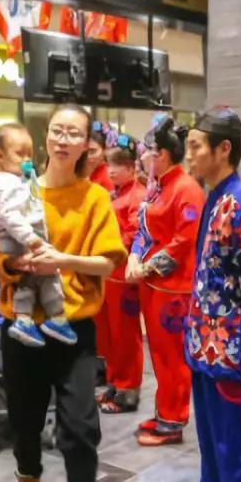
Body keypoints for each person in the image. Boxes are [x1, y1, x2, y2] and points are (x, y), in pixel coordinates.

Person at [0, 105, 126, 482]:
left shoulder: (94, 198)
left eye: (74, 133)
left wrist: (62, 260)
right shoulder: (14, 188)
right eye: (58, 130)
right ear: (45, 137)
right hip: (21, 326)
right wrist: (14, 264)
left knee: (80, 426)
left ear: (87, 146)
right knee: (24, 420)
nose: (64, 139)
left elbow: (108, 263)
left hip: (74, 328)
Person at [166, 107, 241, 482]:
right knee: (211, 435)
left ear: (223, 149)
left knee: (235, 439)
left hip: (230, 347)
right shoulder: (215, 196)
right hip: (205, 342)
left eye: (195, 146)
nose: (188, 155)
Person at [125, 117, 205, 446]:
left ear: (163, 155)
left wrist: (147, 268)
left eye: (148, 150)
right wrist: (134, 256)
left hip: (174, 289)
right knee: (159, 353)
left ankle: (173, 420)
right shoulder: (159, 186)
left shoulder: (186, 189)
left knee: (172, 356)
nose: (144, 156)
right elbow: (144, 229)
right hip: (154, 285)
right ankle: (164, 412)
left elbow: (183, 241)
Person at [0, 123, 77, 348]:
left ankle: (30, 319)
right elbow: (10, 216)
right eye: (20, 154)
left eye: (29, 154)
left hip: (20, 234)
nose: (26, 159)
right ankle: (50, 318)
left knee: (30, 277)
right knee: (41, 273)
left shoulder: (14, 180)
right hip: (18, 235)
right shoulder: (4, 182)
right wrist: (32, 240)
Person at [95, 135, 146, 414]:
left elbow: (134, 235)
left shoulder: (136, 196)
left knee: (125, 335)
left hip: (123, 277)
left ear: (131, 168)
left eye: (118, 166)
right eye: (109, 165)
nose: (111, 171)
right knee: (109, 335)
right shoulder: (115, 194)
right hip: (108, 276)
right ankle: (115, 382)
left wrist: (108, 248)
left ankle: (128, 389)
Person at [87, 122, 115, 191]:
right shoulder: (86, 171)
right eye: (85, 150)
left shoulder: (109, 176)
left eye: (92, 151)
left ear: (105, 150)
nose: (87, 156)